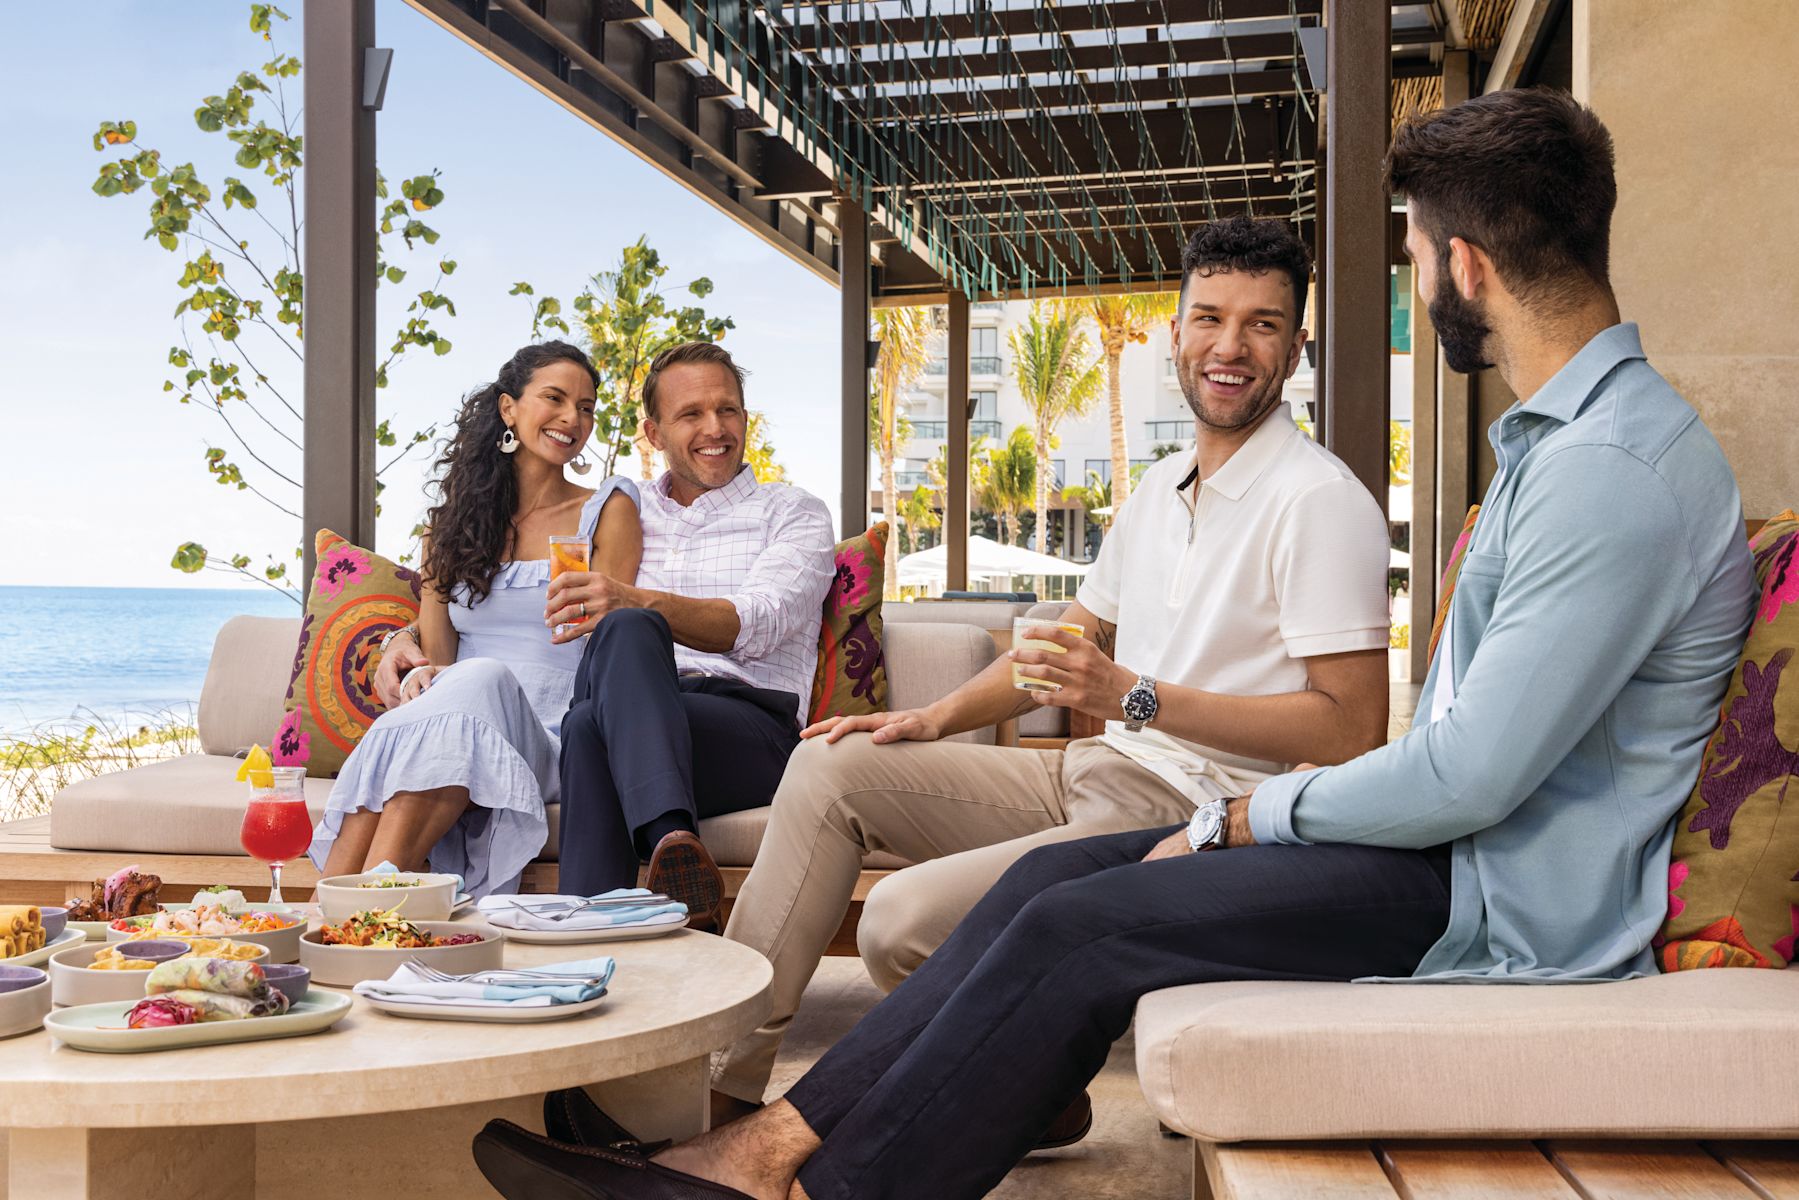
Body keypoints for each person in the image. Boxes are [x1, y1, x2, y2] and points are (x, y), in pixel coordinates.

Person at [471, 87, 1757, 1200]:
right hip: (1441, 852)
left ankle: (813, 1184)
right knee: (1041, 890)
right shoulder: (1559, 449)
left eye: (1413, 252)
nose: (1417, 281)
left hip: (1489, 898)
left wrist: (1262, 817)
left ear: (1462, 264)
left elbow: (1464, 776)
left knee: (1074, 929)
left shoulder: (1607, 471)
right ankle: (747, 1152)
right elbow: (1454, 749)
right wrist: (924, 720)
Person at [710, 215, 1393, 1123]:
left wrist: (1133, 698)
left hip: (1194, 810)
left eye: (1262, 325)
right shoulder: (1161, 486)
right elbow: (1068, 641)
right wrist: (930, 719)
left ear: (1296, 346)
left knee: (899, 924)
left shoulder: (1320, 501)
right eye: (1210, 318)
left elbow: (1350, 729)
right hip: (1087, 774)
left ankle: (1022, 1083)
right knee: (830, 764)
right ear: (1176, 329)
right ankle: (714, 1089)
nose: (1230, 347)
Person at [310, 341, 642, 898]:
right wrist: (410, 656)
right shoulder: (453, 528)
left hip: (553, 734)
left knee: (482, 676)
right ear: (509, 409)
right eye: (555, 399)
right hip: (458, 721)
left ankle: (358, 920)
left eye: (586, 407)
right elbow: (440, 663)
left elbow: (610, 637)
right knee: (442, 699)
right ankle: (335, 916)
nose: (573, 419)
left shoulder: (607, 508)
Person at [544, 341, 836, 928]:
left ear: (746, 420)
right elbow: (502, 583)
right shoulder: (621, 511)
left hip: (749, 728)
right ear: (653, 433)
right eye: (691, 414)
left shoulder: (793, 512)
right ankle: (674, 846)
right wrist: (406, 636)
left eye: (727, 410)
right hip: (634, 716)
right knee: (590, 714)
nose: (715, 428)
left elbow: (758, 620)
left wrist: (633, 600)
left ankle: (587, 939)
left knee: (602, 690)